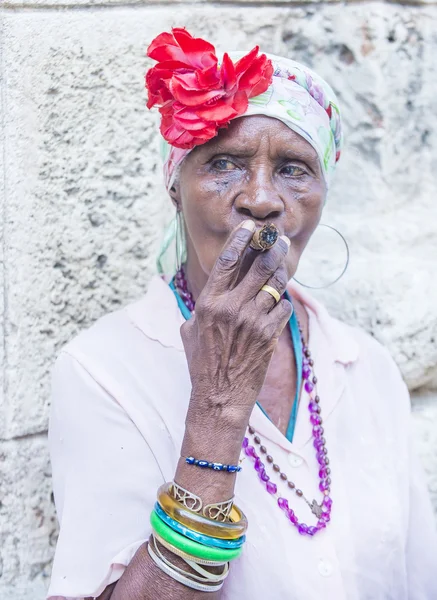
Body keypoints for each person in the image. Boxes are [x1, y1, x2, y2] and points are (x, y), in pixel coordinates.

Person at [47, 28, 437, 600]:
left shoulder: (365, 366)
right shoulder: (103, 371)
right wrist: (219, 409)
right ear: (176, 187)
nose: (261, 198)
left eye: (293, 169)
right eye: (224, 163)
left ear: (323, 190)